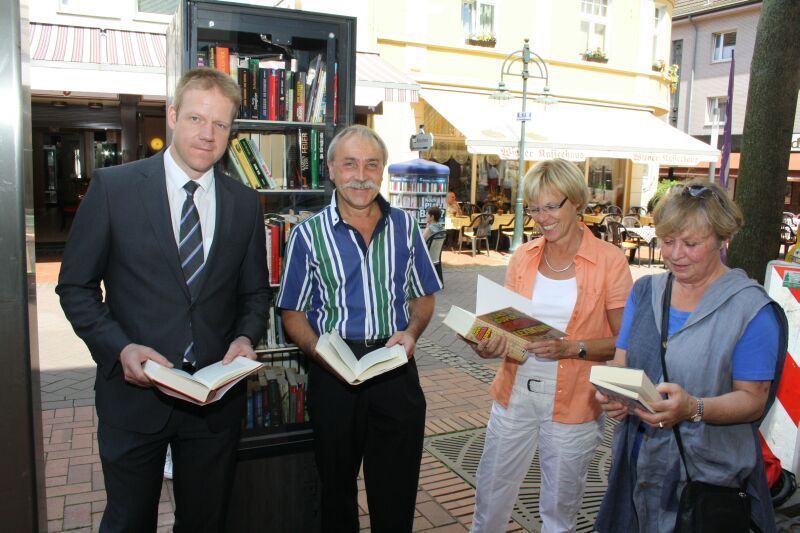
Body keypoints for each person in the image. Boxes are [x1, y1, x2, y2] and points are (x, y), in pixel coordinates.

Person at [56, 68, 271, 532]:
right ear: (173, 115)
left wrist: (245, 337)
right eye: (196, 118)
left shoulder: (244, 203)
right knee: (128, 521)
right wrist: (119, 348)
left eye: (220, 124)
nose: (207, 134)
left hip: (213, 402)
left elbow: (255, 293)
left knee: (204, 522)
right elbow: (75, 288)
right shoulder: (114, 189)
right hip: (134, 399)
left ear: (231, 131)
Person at [595, 180, 788, 533]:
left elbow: (752, 401)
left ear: (722, 239)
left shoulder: (751, 309)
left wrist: (693, 408)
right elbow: (622, 363)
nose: (675, 254)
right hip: (637, 468)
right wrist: (614, 396)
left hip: (706, 481)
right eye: (667, 241)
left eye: (691, 243)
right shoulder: (645, 291)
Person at [277, 125, 442, 532]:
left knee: (397, 489)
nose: (361, 175)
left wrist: (412, 333)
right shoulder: (307, 235)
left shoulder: (406, 227)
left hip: (395, 367)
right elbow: (292, 314)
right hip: (334, 370)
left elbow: (424, 296)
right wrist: (321, 354)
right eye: (349, 164)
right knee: (336, 490)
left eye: (371, 165)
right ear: (331, 169)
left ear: (382, 170)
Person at [468, 159, 633, 533]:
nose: (542, 218)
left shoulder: (609, 261)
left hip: (575, 398)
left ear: (577, 203)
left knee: (559, 511)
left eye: (551, 206)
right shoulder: (524, 256)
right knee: (490, 496)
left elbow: (625, 343)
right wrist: (486, 342)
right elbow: (504, 323)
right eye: (534, 209)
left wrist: (571, 348)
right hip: (514, 392)